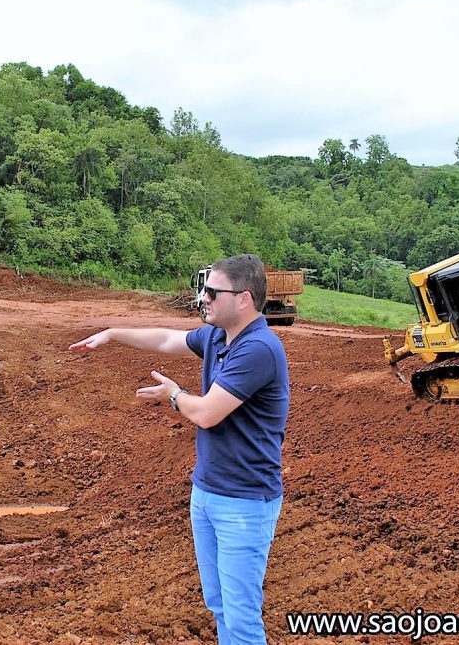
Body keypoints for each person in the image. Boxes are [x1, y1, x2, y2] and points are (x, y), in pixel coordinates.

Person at [70, 254, 288, 645]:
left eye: (211, 291)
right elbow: (167, 339)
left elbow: (207, 413)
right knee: (220, 605)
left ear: (244, 299)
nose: (202, 297)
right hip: (206, 493)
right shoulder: (219, 337)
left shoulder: (258, 349)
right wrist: (112, 333)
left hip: (244, 503)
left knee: (241, 617)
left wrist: (173, 395)